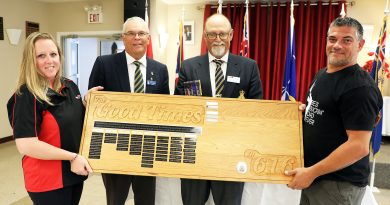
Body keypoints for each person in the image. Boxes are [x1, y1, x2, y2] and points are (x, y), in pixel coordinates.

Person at [285, 17, 383, 205]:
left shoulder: (359, 88)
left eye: (346, 40)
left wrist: (311, 172)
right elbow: (325, 113)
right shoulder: (322, 74)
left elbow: (358, 146)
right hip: (316, 177)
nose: (337, 45)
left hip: (338, 185)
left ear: (360, 45)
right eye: (332, 39)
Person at [175, 13, 263, 205]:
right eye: (212, 34)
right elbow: (179, 109)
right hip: (195, 153)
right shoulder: (188, 67)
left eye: (222, 34)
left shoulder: (249, 67)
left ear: (231, 35)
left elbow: (256, 110)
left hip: (231, 154)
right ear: (205, 37)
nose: (218, 39)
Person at [88, 16, 170, 205]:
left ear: (148, 38)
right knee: (115, 199)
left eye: (141, 33)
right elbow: (94, 104)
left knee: (146, 199)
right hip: (114, 147)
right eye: (131, 33)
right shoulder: (104, 63)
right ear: (123, 38)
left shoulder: (160, 70)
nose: (137, 38)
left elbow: (165, 110)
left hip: (148, 150)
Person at [6, 32, 94, 205]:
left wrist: (86, 101)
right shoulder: (26, 95)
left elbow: (73, 121)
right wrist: (73, 157)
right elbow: (26, 145)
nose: (49, 60)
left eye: (53, 54)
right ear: (31, 61)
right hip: (47, 181)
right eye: (41, 56)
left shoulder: (69, 85)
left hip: (73, 174)